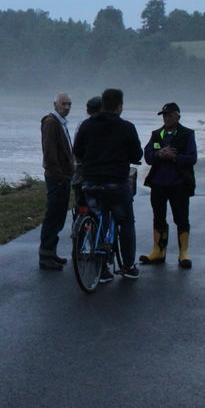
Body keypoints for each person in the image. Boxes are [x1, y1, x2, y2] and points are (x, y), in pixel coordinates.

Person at [72, 88, 144, 281]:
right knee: (126, 222)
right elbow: (137, 155)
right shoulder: (127, 127)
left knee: (98, 217)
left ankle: (102, 269)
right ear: (120, 106)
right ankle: (128, 266)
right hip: (116, 183)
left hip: (91, 182)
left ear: (103, 104)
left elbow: (77, 150)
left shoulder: (87, 125)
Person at [140, 102, 198, 269]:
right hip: (158, 183)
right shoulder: (156, 134)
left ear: (178, 116)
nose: (167, 118)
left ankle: (183, 253)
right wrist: (159, 153)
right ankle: (158, 251)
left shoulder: (187, 134)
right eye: (164, 115)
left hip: (179, 184)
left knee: (181, 219)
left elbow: (192, 158)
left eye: (170, 115)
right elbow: (148, 157)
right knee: (158, 218)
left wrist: (173, 157)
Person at [39, 93, 74, 270]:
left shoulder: (59, 123)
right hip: (57, 178)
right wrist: (59, 175)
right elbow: (50, 152)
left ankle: (51, 252)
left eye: (69, 104)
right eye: (63, 104)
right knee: (53, 216)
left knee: (59, 216)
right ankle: (45, 255)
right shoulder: (52, 123)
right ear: (55, 104)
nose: (66, 107)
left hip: (63, 176)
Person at [71, 96, 103, 213]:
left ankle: (81, 226)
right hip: (89, 171)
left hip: (80, 170)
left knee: (82, 204)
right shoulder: (91, 124)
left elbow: (76, 149)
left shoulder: (83, 123)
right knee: (94, 205)